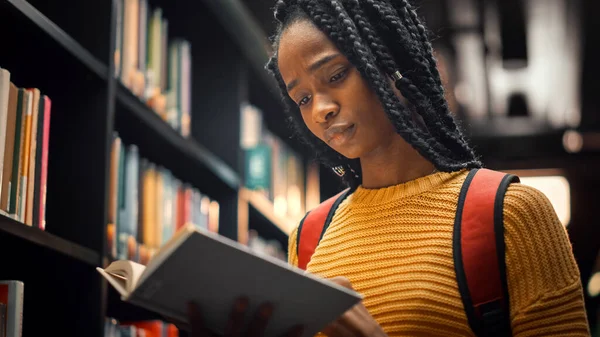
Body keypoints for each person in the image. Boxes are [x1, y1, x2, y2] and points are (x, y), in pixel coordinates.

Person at [186, 0, 591, 336]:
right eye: (303, 99)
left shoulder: (512, 213)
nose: (322, 110)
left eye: (337, 75)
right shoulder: (309, 236)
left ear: (390, 65)